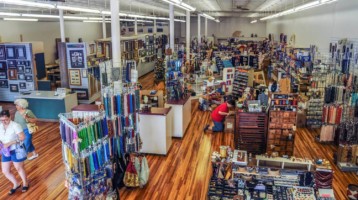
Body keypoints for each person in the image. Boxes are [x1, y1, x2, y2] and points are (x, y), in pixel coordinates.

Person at [0, 110, 29, 194]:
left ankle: (25, 183)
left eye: (6, 119)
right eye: (1, 120)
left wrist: (10, 143)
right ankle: (16, 184)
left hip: (16, 149)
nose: (4, 122)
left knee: (19, 168)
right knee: (5, 171)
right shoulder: (0, 126)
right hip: (5, 150)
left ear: (10, 117)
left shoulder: (15, 126)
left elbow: (22, 137)